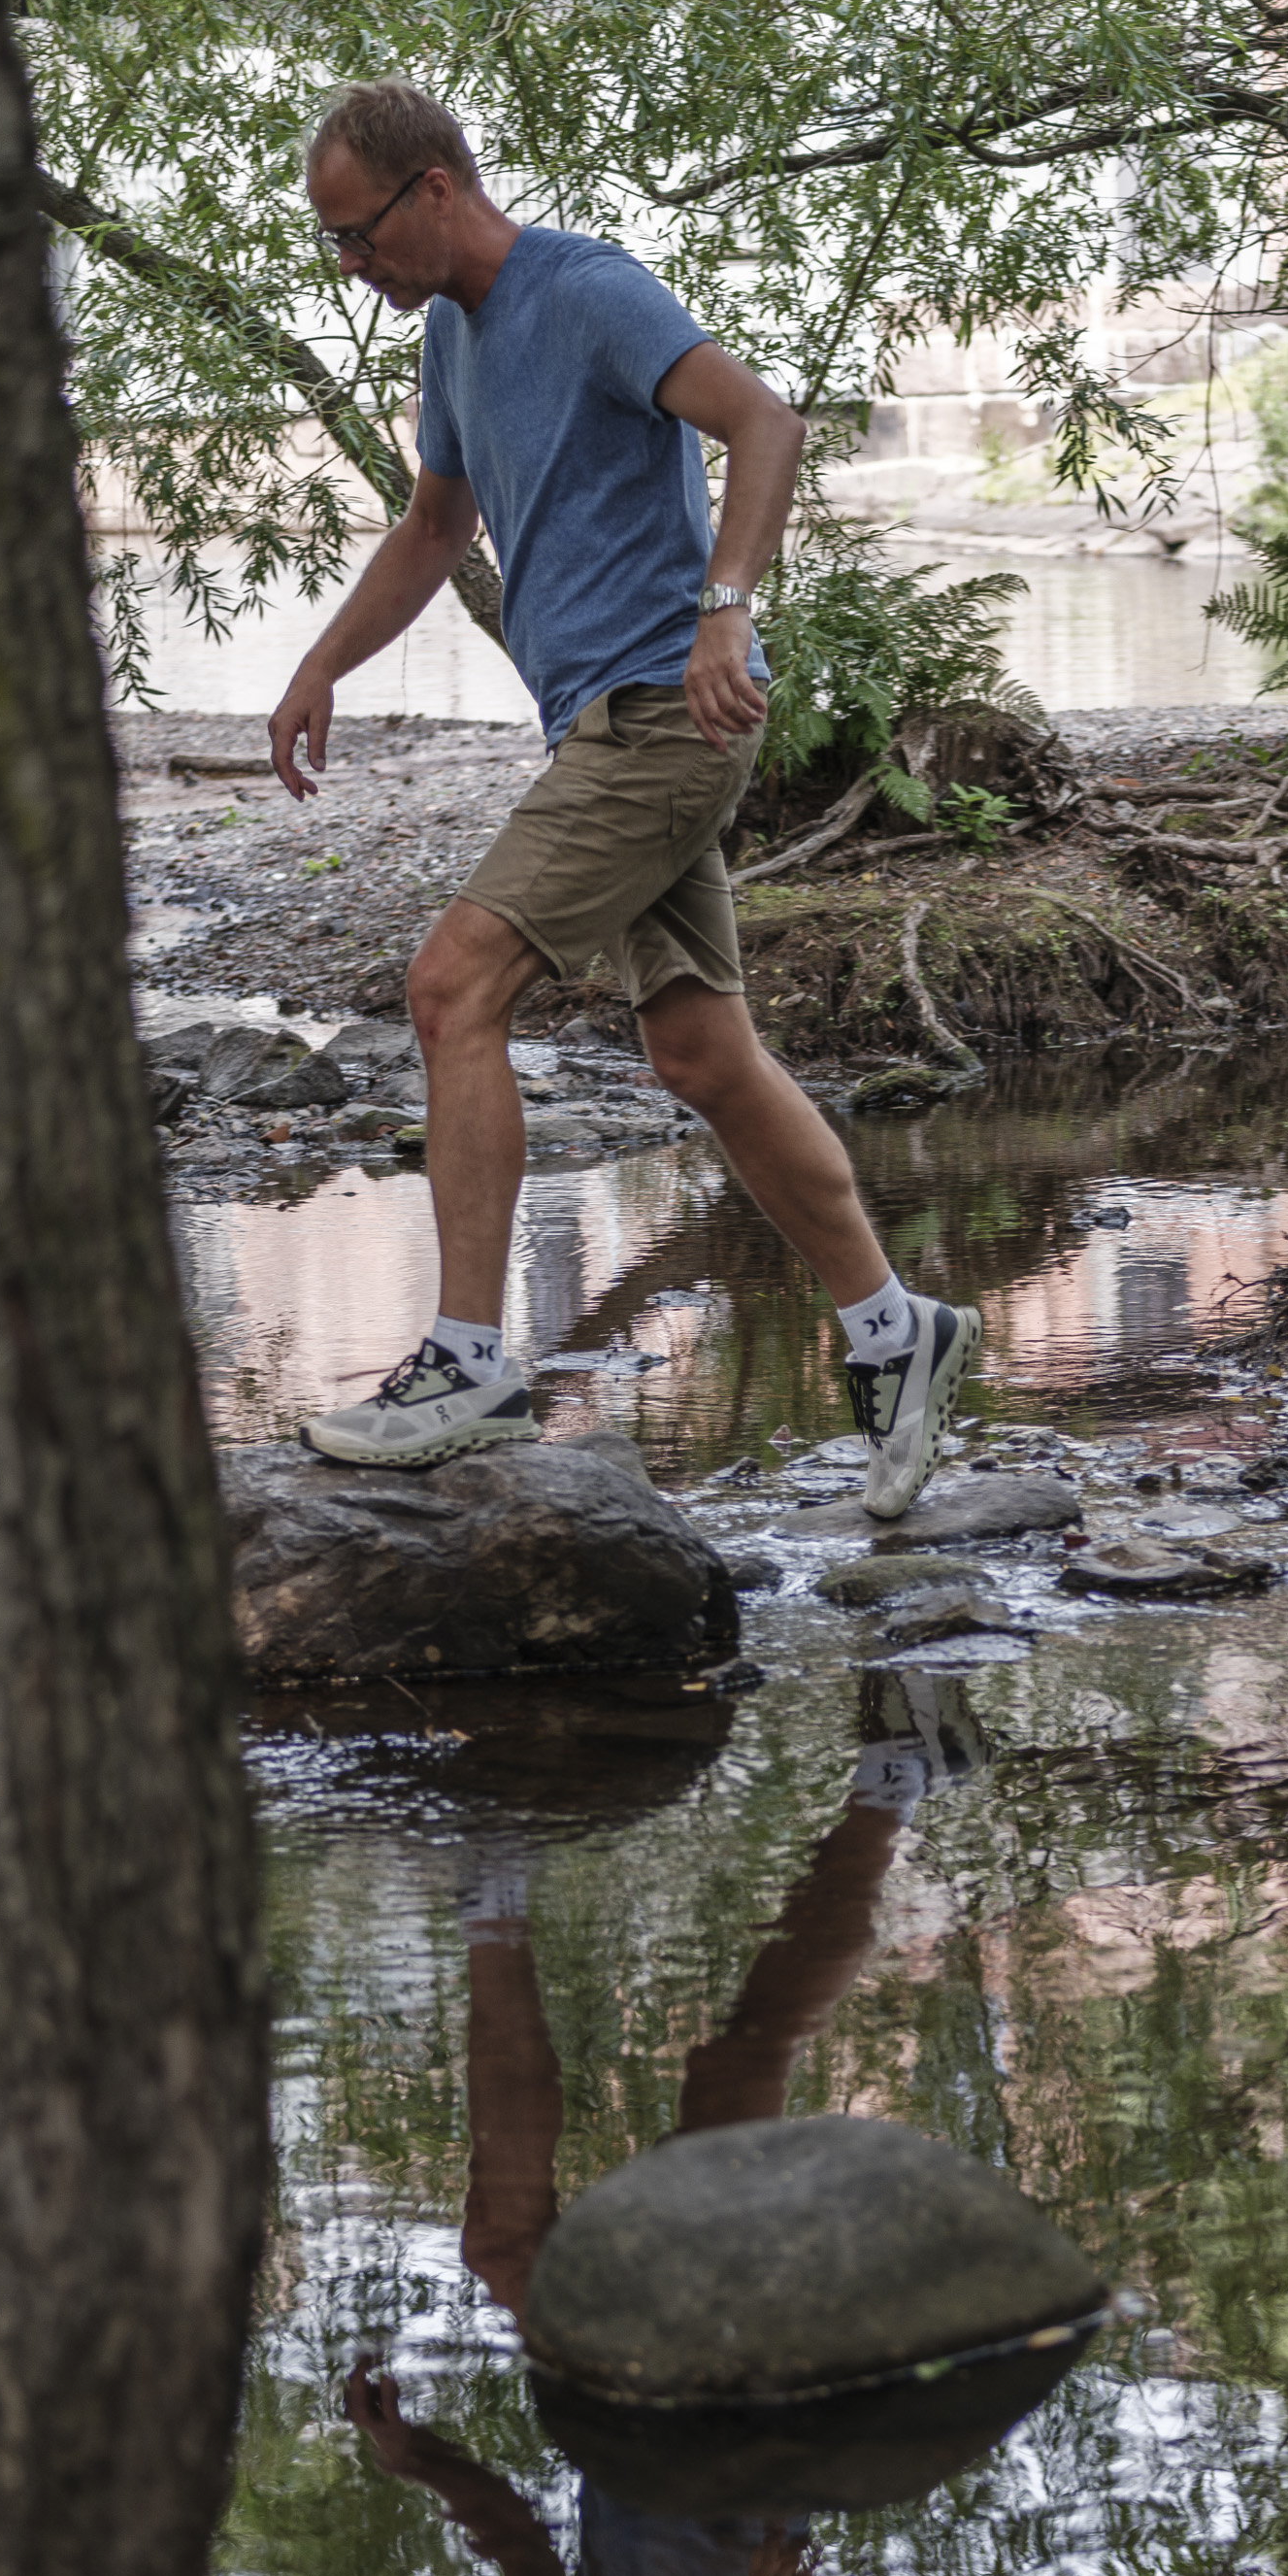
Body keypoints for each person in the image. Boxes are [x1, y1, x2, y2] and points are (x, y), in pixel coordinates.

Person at [264, 82, 976, 1520]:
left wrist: (728, 608)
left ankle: (468, 1363)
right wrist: (318, 665)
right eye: (333, 246)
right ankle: (896, 1328)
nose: (354, 269)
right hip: (600, 722)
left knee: (451, 988)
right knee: (702, 1057)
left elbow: (764, 422)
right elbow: (434, 524)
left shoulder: (584, 291)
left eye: (357, 236)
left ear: (437, 190)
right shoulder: (455, 340)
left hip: (665, 713)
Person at [353, 1674, 984, 2576]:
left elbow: (525, 2551)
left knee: (533, 2229)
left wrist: (424, 2464)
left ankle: (499, 1893)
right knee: (721, 2097)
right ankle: (882, 1796)